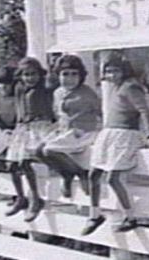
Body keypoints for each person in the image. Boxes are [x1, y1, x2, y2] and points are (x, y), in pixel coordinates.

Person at [81, 54, 149, 236]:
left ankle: (130, 217)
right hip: (109, 133)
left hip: (125, 134)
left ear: (124, 71)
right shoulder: (115, 88)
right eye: (108, 71)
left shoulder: (131, 86)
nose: (111, 75)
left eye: (115, 71)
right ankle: (95, 215)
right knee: (93, 174)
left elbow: (144, 110)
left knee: (113, 178)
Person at [36, 54, 101, 198]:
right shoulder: (58, 93)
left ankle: (81, 173)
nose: (69, 78)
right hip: (64, 131)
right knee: (38, 151)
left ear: (81, 76)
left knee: (49, 150)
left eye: (74, 74)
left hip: (82, 132)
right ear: (58, 75)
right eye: (65, 74)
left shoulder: (87, 93)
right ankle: (66, 174)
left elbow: (101, 112)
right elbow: (59, 114)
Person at [5, 57, 56, 222]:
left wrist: (52, 64)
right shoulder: (20, 88)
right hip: (23, 127)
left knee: (25, 162)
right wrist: (18, 126)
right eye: (26, 75)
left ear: (40, 74)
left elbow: (53, 81)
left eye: (33, 74)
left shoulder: (45, 88)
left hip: (41, 126)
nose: (30, 78)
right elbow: (19, 107)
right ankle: (20, 197)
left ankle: (35, 198)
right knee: (11, 165)